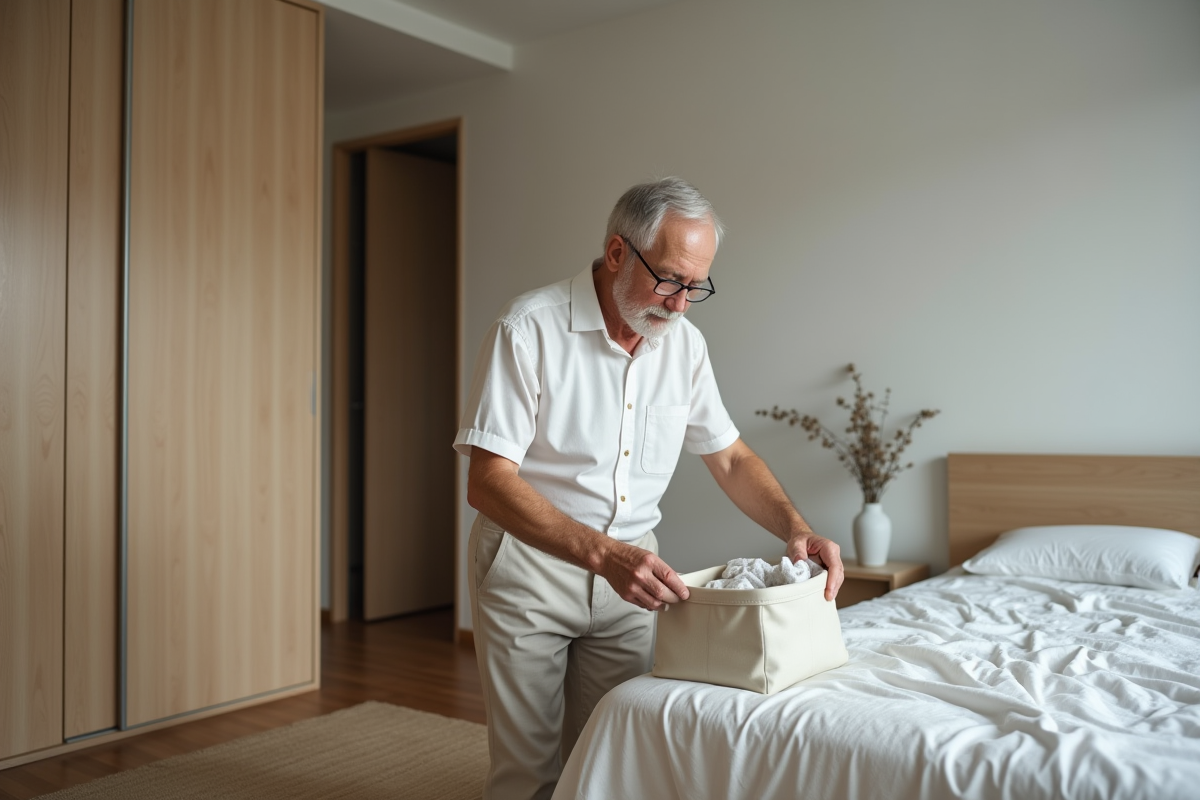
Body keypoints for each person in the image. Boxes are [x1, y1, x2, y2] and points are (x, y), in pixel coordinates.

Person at [453, 177, 843, 800]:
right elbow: (488, 482)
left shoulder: (684, 345)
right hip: (531, 569)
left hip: (631, 585)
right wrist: (604, 555)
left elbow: (731, 458)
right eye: (669, 280)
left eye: (697, 287)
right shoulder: (527, 328)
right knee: (529, 775)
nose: (681, 305)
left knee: (615, 765)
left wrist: (796, 529)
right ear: (617, 253)